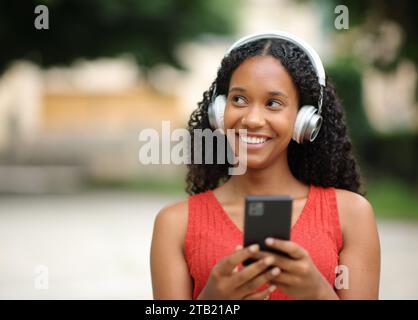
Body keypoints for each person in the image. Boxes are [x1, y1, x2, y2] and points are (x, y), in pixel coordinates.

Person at [150, 32, 380, 300]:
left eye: (273, 103)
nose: (252, 119)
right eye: (239, 99)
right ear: (219, 111)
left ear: (304, 120)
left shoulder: (351, 215)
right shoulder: (175, 224)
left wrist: (318, 293)